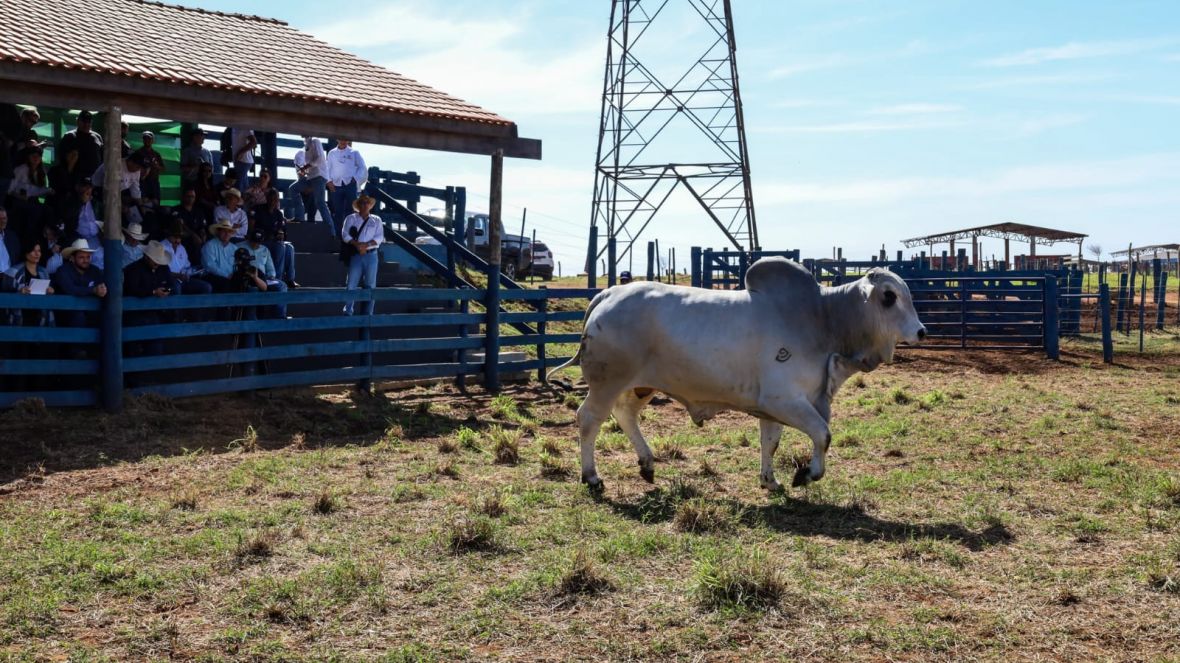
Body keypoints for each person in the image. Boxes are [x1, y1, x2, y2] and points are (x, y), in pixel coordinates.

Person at [123, 240, 174, 357]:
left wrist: (167, 291)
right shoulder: (133, 269)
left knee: (156, 346)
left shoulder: (163, 268)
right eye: (154, 259)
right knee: (132, 347)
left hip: (153, 313)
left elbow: (172, 286)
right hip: (134, 314)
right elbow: (131, 289)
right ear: (146, 257)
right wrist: (153, 291)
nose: (157, 262)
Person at [340, 194, 383, 315]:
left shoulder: (377, 219)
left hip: (371, 254)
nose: (364, 205)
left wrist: (365, 245)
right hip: (356, 253)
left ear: (370, 205)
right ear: (358, 205)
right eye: (362, 203)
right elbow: (345, 234)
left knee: (370, 285)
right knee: (351, 283)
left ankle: (368, 313)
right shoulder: (350, 218)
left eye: (366, 203)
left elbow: (380, 237)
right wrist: (357, 244)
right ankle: (348, 311)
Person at [52, 239, 107, 330]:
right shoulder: (63, 271)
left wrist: (101, 290)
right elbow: (70, 289)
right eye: (81, 257)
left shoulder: (95, 271)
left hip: (92, 314)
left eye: (88, 257)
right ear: (72, 258)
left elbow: (102, 286)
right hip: (67, 316)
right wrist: (93, 290)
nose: (86, 260)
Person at [287, 135, 333, 235]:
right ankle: (299, 217)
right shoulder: (306, 144)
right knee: (293, 188)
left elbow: (320, 159)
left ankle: (331, 231)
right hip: (310, 177)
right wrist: (303, 171)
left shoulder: (315, 141)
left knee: (320, 203)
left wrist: (306, 167)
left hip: (319, 177)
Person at [253, 188, 297, 287]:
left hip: (274, 240)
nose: (273, 201)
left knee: (289, 248)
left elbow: (281, 230)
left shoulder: (278, 214)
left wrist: (280, 234)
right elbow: (252, 228)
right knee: (280, 247)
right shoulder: (258, 209)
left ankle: (290, 279)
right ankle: (277, 278)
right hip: (261, 240)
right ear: (267, 198)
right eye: (271, 199)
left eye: (275, 199)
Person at [326, 138, 367, 235]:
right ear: (337, 140)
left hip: (350, 185)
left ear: (348, 140)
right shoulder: (331, 153)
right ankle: (338, 235)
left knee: (352, 210)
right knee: (337, 211)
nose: (343, 141)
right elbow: (327, 167)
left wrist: (355, 178)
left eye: (345, 139)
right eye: (341, 139)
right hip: (336, 185)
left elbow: (362, 166)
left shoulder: (354, 152)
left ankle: (351, 234)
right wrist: (329, 181)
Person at [244, 230, 288, 317]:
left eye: (258, 242)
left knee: (282, 285)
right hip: (247, 277)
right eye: (253, 241)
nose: (255, 244)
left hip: (264, 278)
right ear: (249, 239)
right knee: (253, 288)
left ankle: (280, 316)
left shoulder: (265, 249)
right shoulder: (239, 247)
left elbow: (270, 268)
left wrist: (271, 276)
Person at [163, 224, 212, 296]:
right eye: (175, 237)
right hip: (168, 281)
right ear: (168, 236)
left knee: (207, 287)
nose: (177, 240)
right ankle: (177, 307)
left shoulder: (181, 248)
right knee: (176, 288)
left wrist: (196, 270)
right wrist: (178, 275)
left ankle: (197, 307)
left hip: (184, 279)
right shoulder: (161, 247)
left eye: (179, 238)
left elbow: (187, 267)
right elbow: (161, 272)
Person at [57, 110, 104, 179]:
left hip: (95, 179)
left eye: (89, 122)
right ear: (77, 121)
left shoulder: (97, 136)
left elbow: (102, 157)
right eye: (83, 121)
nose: (86, 124)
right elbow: (63, 159)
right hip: (77, 180)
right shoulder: (69, 136)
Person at [169, 187, 209, 263]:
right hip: (182, 237)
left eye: (192, 197)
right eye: (188, 196)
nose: (190, 199)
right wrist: (193, 235)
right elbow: (179, 224)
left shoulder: (199, 211)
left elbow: (202, 227)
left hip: (197, 239)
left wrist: (203, 236)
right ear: (183, 197)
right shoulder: (176, 209)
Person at [200, 222, 239, 292]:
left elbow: (237, 265)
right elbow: (210, 266)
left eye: (229, 231)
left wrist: (235, 276)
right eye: (224, 231)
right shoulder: (209, 245)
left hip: (232, 277)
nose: (227, 234)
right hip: (212, 275)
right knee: (226, 284)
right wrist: (227, 276)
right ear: (218, 231)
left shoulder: (235, 248)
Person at [135, 131, 165, 205]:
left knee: (156, 204)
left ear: (153, 141)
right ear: (143, 140)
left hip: (154, 183)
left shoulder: (156, 154)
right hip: (141, 182)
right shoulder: (138, 153)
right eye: (145, 138)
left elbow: (163, 168)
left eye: (149, 139)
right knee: (143, 203)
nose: (147, 140)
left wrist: (156, 166)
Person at [0, 206, 20, 274]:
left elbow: (17, 256)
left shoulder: (11, 236)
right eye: (0, 219)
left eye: (4, 218)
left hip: (8, 277)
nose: (3, 221)